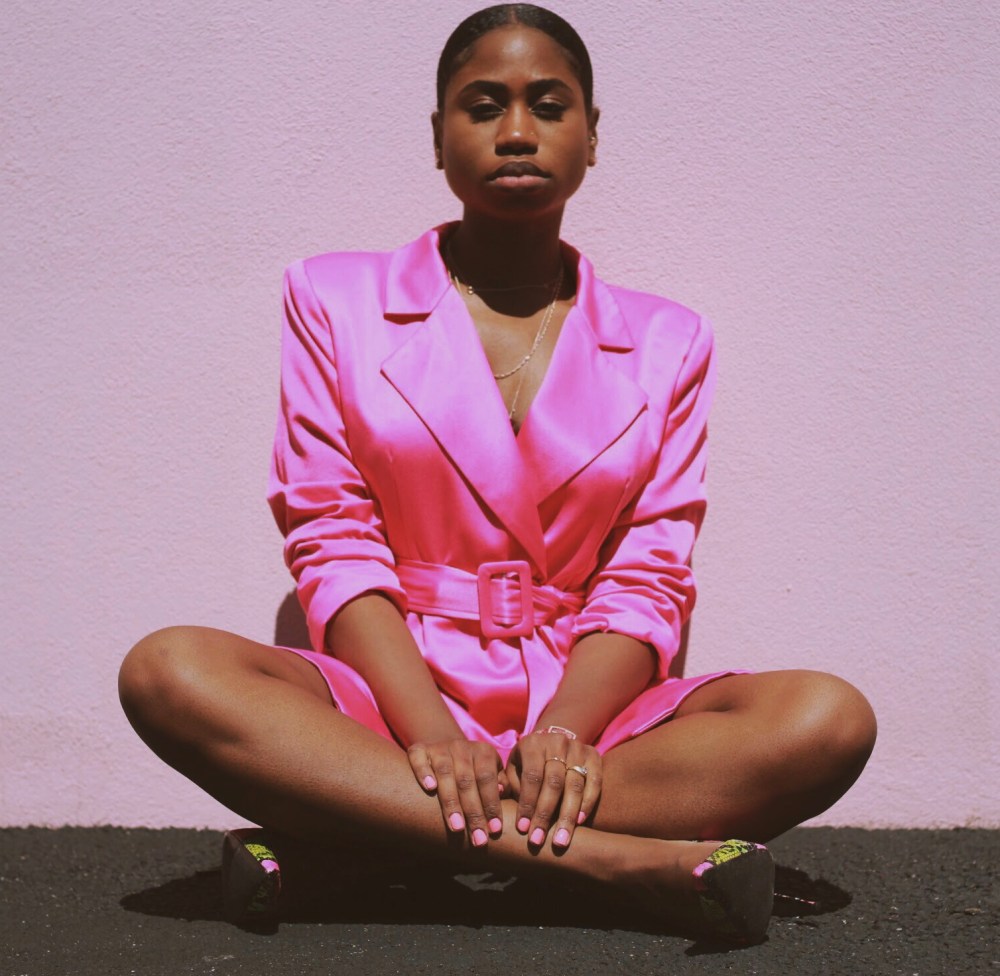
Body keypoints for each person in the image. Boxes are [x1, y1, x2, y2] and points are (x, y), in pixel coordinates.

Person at [118, 3, 876, 943]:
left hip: (587, 719)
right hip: (385, 699)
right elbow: (332, 537)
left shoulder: (670, 340)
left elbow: (649, 572)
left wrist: (562, 732)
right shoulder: (332, 297)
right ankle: (607, 864)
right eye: (483, 105)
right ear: (438, 138)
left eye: (548, 104)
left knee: (827, 718)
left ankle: (370, 845)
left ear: (592, 137)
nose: (516, 130)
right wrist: (430, 732)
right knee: (168, 670)